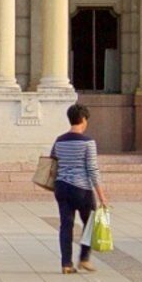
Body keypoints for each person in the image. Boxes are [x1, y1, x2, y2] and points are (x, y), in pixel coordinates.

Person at [51, 104, 106, 272]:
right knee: (89, 224)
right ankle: (84, 258)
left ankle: (66, 264)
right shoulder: (88, 142)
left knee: (66, 225)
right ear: (83, 119)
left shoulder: (59, 140)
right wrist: (102, 195)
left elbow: (53, 161)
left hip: (61, 187)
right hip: (82, 189)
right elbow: (92, 169)